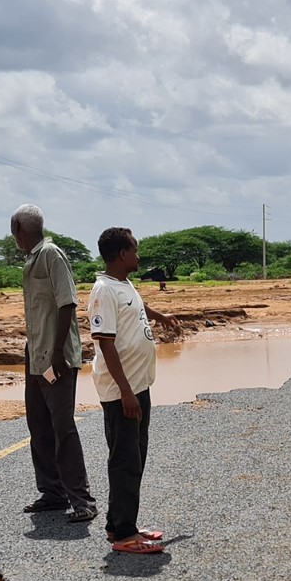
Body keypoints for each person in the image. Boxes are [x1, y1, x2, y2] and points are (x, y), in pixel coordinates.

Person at [88, 227, 176, 555]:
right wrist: (125, 392)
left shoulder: (123, 284)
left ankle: (118, 523)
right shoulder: (103, 291)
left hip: (138, 385)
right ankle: (125, 536)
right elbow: (106, 344)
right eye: (135, 250)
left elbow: (137, 308)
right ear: (123, 254)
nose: (138, 256)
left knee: (134, 456)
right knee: (125, 460)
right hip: (121, 391)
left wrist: (160, 316)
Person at [14, 204, 95, 522]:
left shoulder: (51, 254)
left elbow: (67, 304)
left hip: (55, 357)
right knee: (39, 425)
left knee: (63, 427)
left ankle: (82, 499)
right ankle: (52, 493)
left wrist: (60, 351)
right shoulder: (32, 258)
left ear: (17, 229)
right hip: (36, 355)